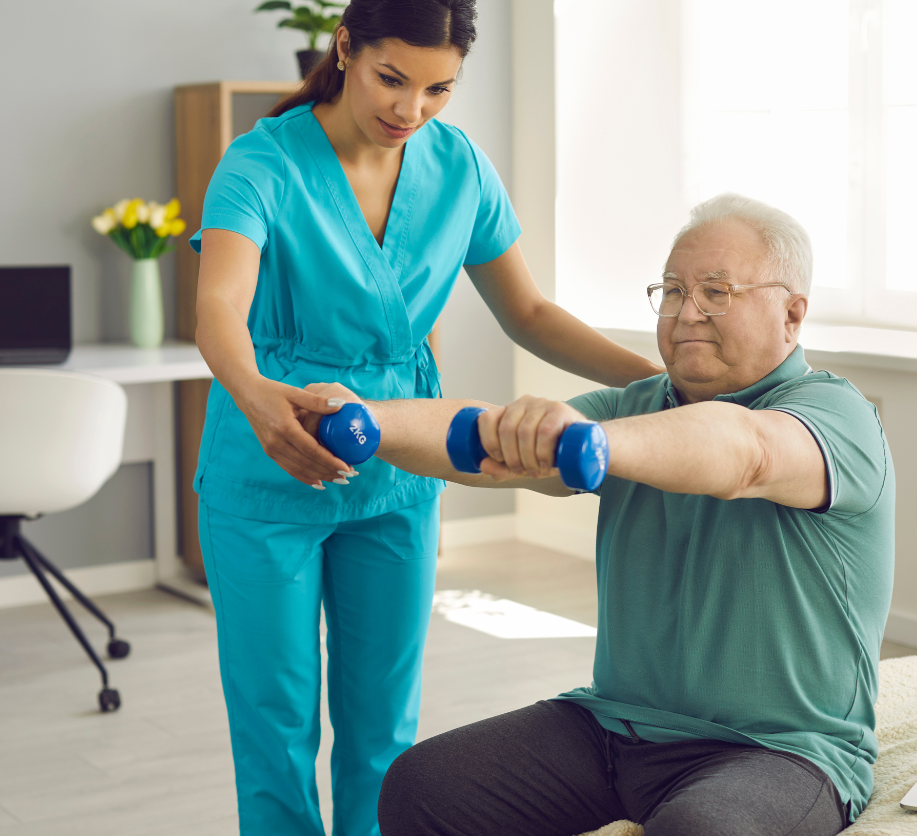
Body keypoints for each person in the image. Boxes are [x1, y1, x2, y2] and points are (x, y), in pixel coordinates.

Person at [190, 1, 662, 834]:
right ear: (346, 48)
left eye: (439, 88)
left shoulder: (460, 168)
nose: (411, 109)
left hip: (403, 466)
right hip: (270, 467)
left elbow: (530, 313)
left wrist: (661, 385)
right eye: (392, 79)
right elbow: (219, 307)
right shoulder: (261, 163)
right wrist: (259, 398)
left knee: (383, 728)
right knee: (274, 726)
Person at [305, 193, 895, 836]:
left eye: (717, 291)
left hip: (779, 750)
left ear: (792, 313)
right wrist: (363, 418)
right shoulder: (633, 404)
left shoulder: (836, 417)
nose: (686, 311)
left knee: (701, 830)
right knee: (424, 786)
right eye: (671, 289)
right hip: (612, 725)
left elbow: (745, 452)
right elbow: (483, 441)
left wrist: (600, 444)